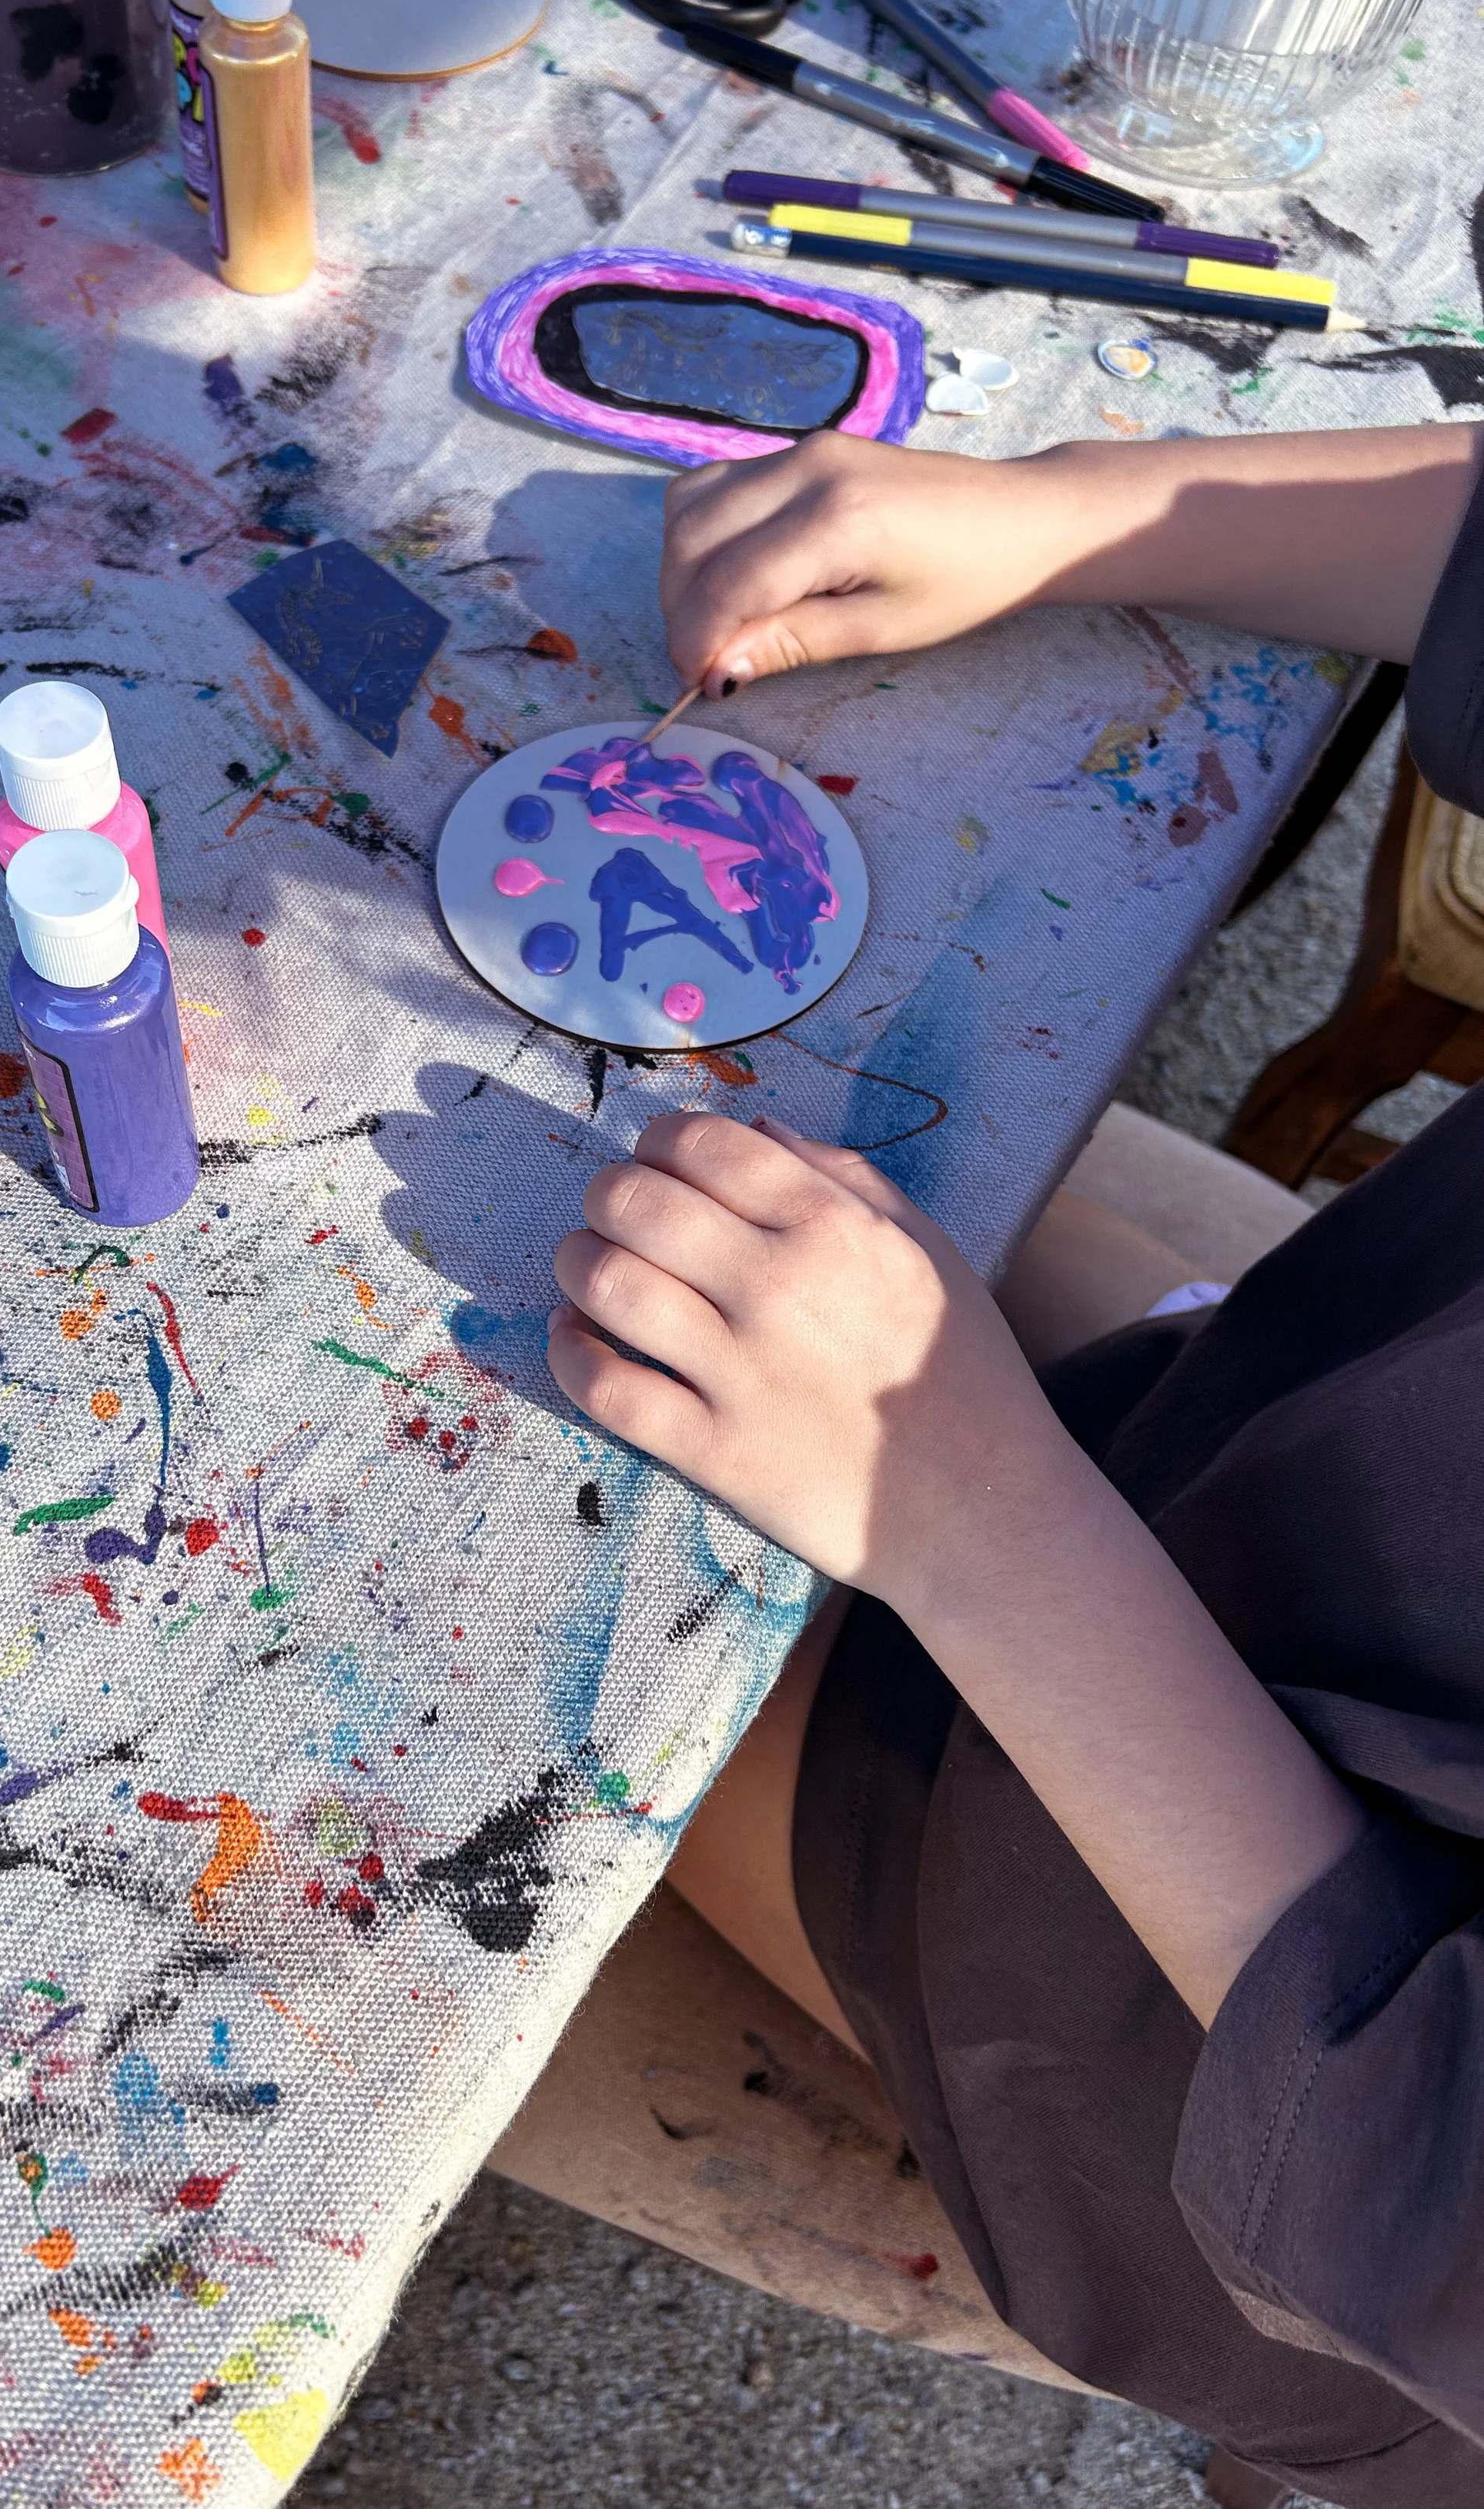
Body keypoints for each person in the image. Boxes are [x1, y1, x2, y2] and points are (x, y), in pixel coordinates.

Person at [544, 423, 1484, 2505]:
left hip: (1178, 2005)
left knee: (475, 1557)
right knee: (784, 1084)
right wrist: (1089, 509)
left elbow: (1429, 2174)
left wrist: (963, 1514)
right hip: (1298, 1444)